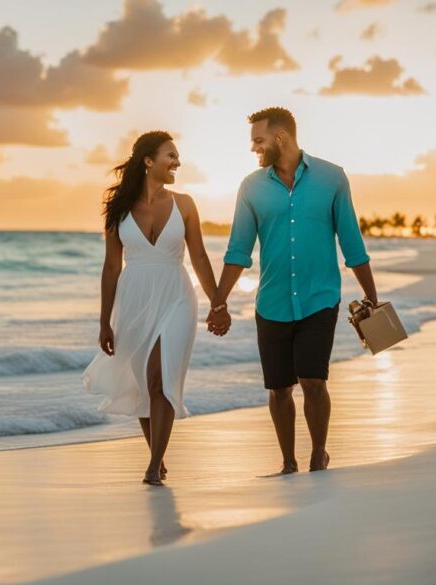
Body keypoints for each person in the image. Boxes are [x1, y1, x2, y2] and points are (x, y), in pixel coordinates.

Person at [207, 107, 379, 475]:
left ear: (281, 137)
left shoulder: (332, 178)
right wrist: (218, 303)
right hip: (272, 302)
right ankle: (288, 462)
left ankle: (319, 455)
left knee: (313, 380)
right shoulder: (250, 188)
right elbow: (238, 251)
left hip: (320, 297)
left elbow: (352, 243)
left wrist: (373, 298)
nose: (254, 148)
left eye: (258, 140)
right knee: (279, 389)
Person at [83, 130, 221, 486]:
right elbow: (112, 267)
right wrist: (104, 322)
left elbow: (200, 256)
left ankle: (153, 464)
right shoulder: (118, 209)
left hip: (176, 295)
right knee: (146, 386)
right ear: (148, 161)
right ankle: (157, 460)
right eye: (170, 155)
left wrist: (217, 302)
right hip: (134, 301)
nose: (177, 162)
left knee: (162, 377)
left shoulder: (186, 204)